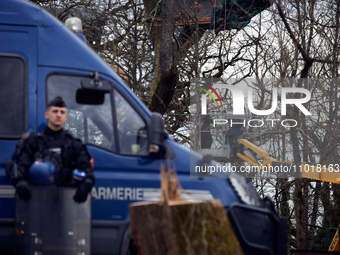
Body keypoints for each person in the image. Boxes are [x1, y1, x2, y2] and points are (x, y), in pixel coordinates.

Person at [6, 96, 95, 203]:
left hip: (66, 203)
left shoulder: (73, 144)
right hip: (35, 202)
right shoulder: (33, 141)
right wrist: (20, 182)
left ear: (66, 117)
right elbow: (19, 165)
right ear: (46, 115)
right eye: (55, 111)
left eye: (62, 112)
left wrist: (86, 184)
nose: (58, 115)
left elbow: (87, 170)